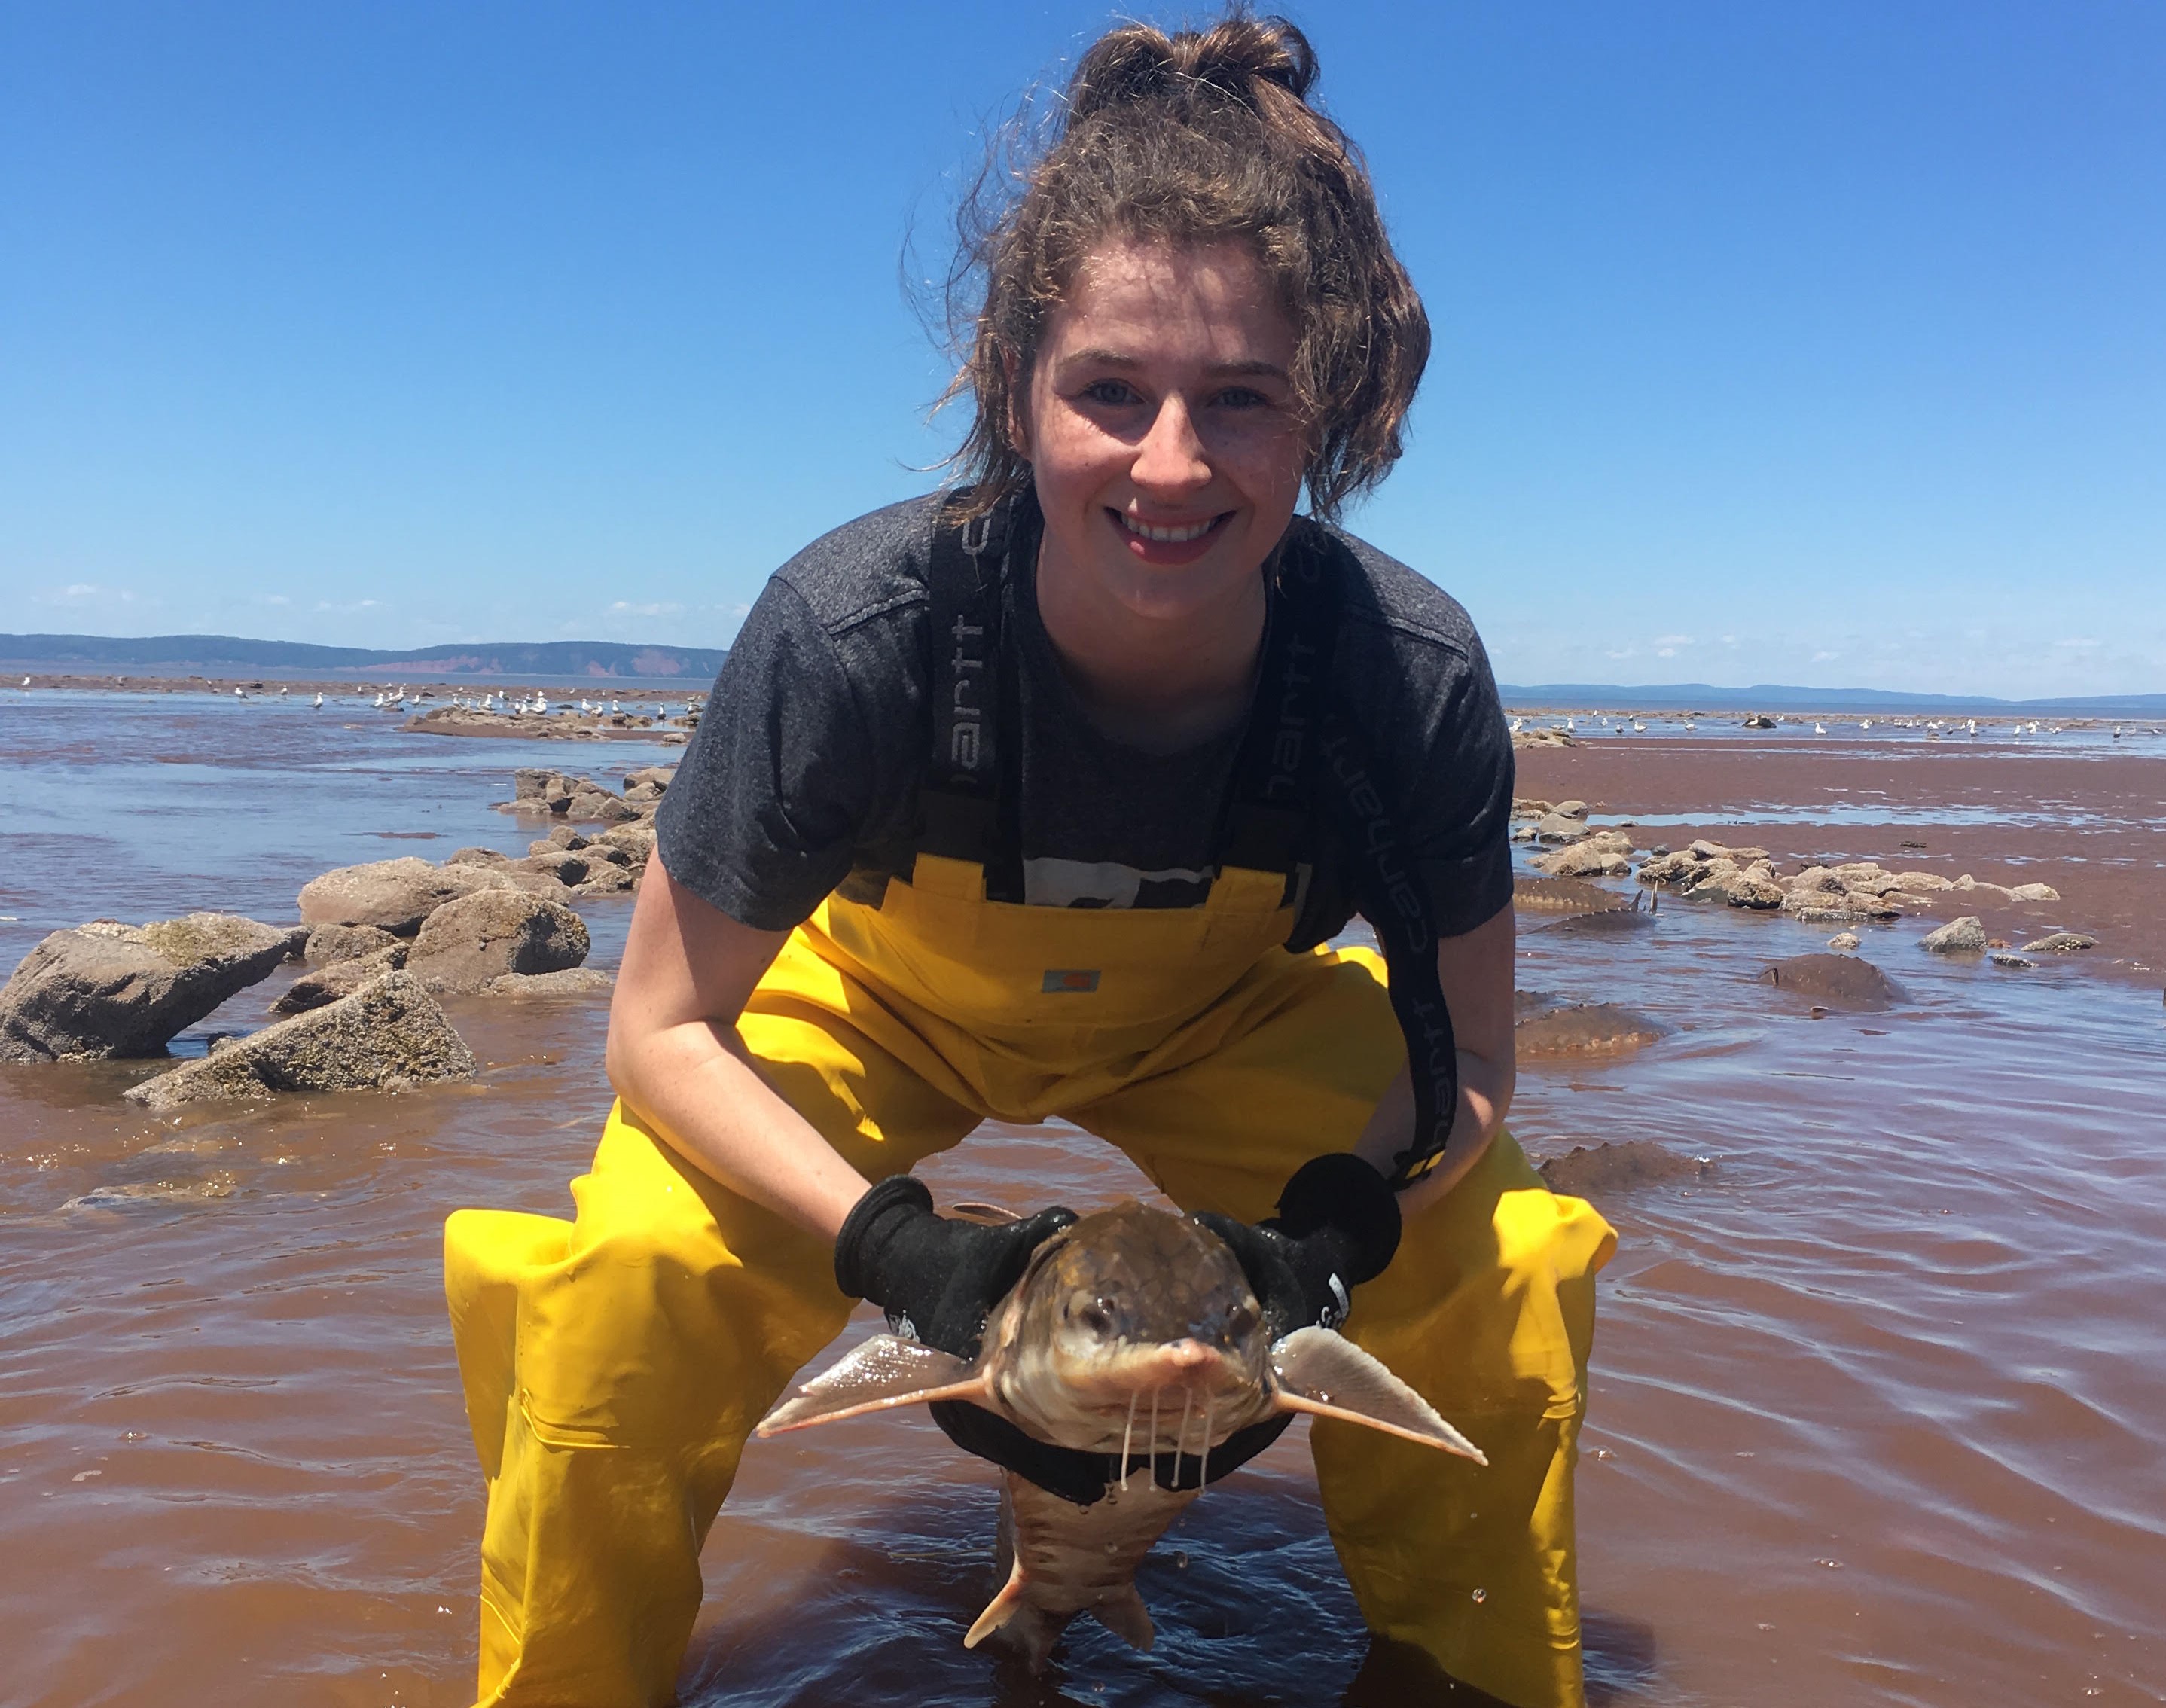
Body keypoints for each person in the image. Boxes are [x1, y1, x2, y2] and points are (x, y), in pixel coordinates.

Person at [443, 14, 1616, 1706]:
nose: (1170, 463)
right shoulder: (856, 635)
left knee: (1502, 1276)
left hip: (1229, 1022)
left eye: (1241, 401)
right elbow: (663, 1031)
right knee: (621, 1289)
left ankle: (1470, 1682)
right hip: (884, 1009)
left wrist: (1339, 1236)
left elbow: (1479, 1061)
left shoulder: (1401, 675)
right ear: (1015, 388)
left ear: (1326, 415)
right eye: (1109, 393)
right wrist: (893, 1249)